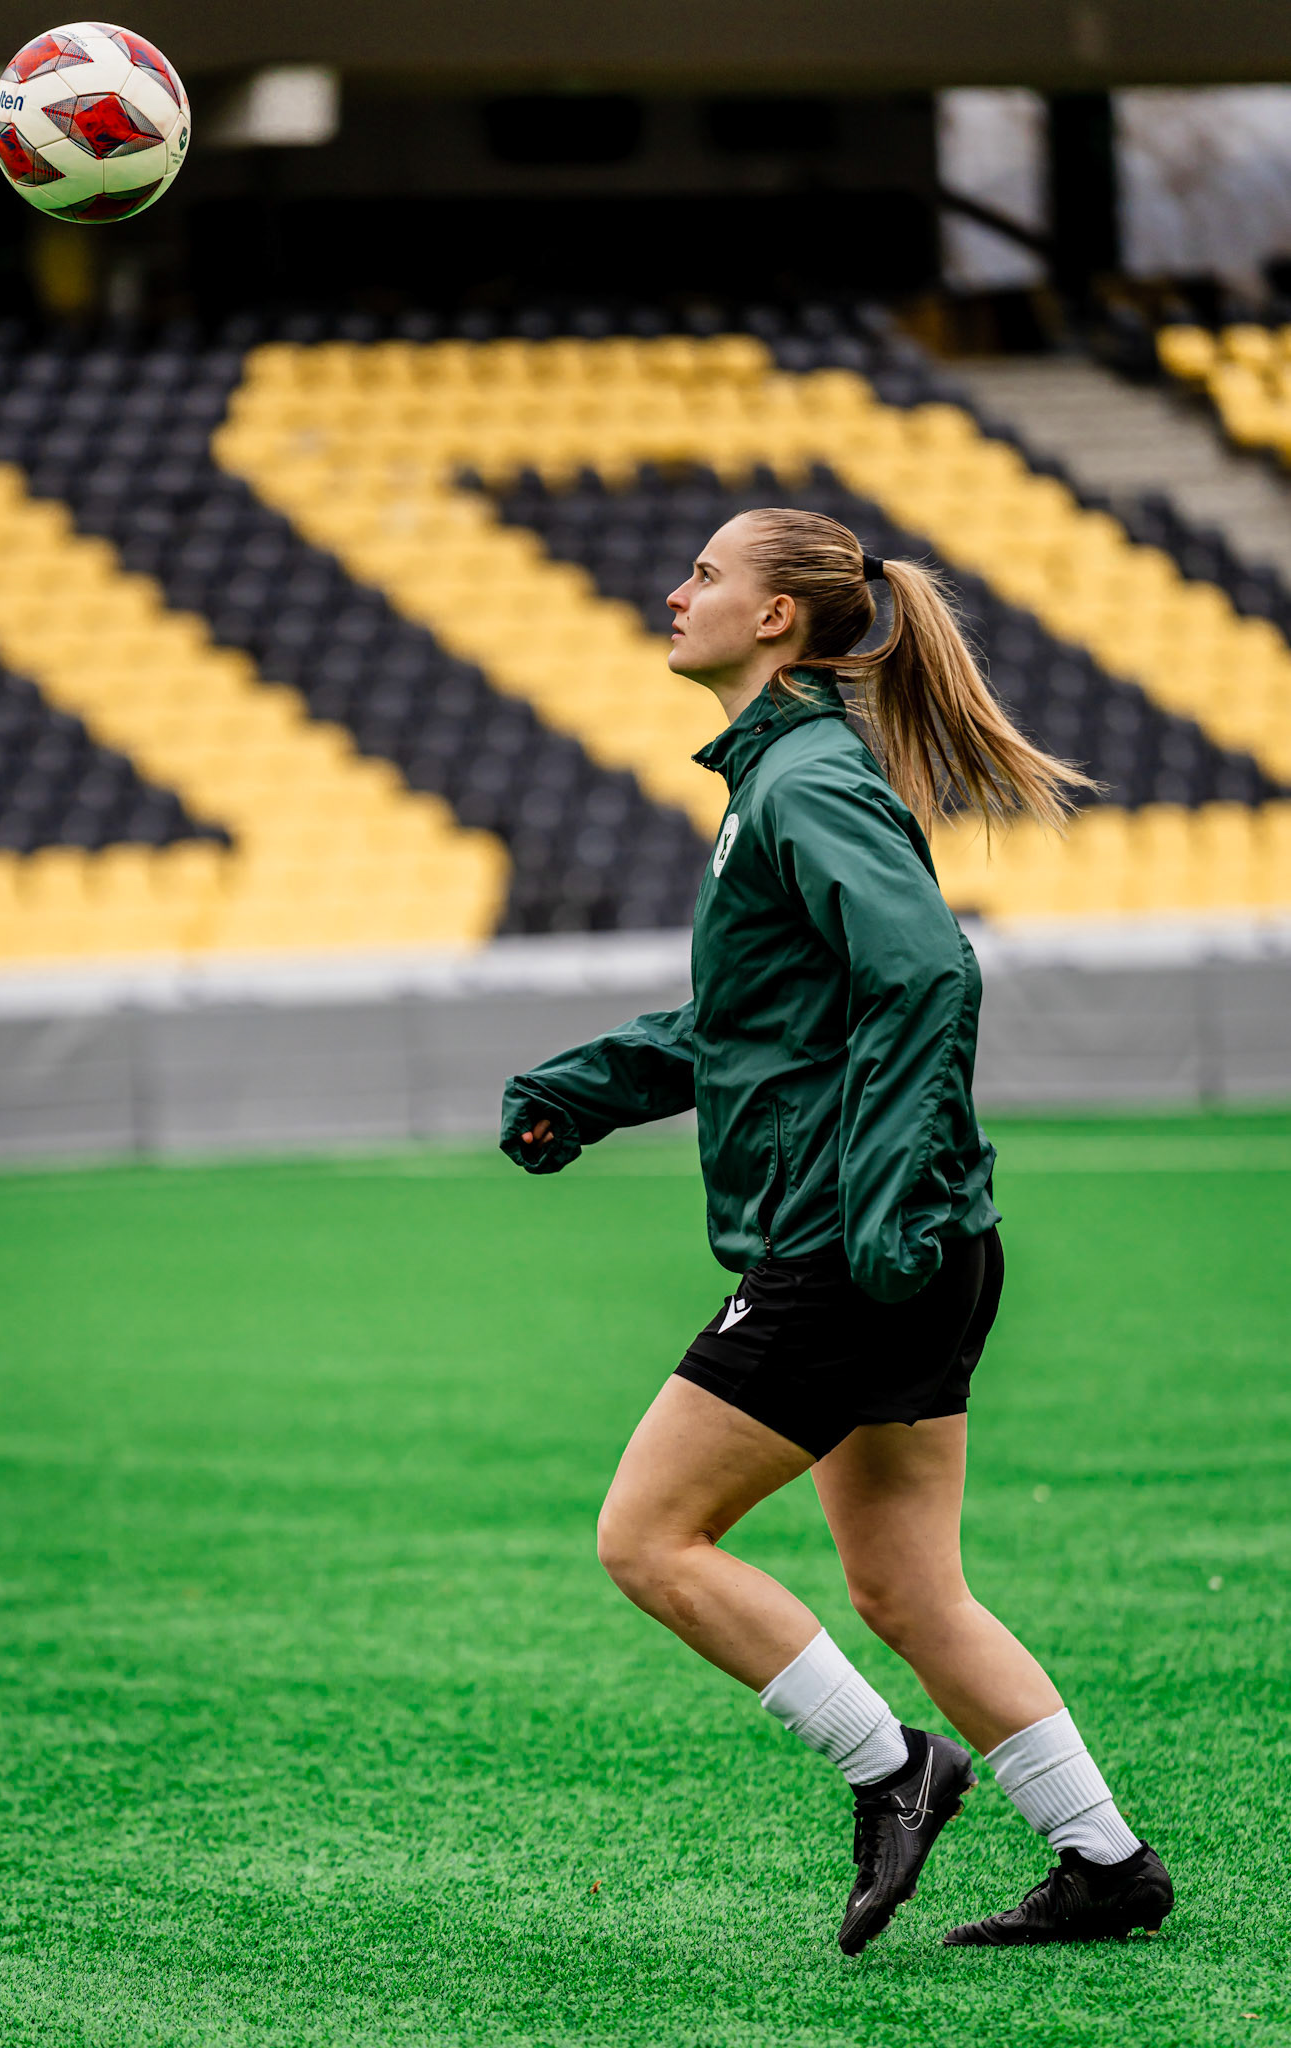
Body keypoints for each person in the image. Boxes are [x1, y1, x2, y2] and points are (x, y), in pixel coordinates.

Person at [500, 508, 1174, 1954]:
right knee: (905, 1586)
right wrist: (594, 1086)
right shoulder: (780, 776)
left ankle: (892, 1768)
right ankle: (1105, 1865)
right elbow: (758, 1025)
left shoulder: (799, 779)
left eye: (702, 574)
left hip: (855, 1247)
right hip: (909, 1241)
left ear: (774, 620)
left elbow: (927, 974)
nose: (670, 591)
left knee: (649, 1539)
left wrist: (879, 1206)